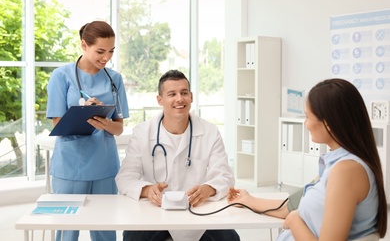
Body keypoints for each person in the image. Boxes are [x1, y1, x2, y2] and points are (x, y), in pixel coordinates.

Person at [228, 78, 387, 240]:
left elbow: (293, 216)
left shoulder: (346, 171)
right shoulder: (335, 165)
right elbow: (288, 208)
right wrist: (248, 200)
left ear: (328, 123)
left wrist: (295, 222)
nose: (305, 124)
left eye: (307, 117)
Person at [116, 70, 240, 241]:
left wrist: (208, 189)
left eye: (184, 93)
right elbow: (125, 178)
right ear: (160, 100)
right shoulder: (142, 132)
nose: (179, 99)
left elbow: (225, 176)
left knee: (230, 239)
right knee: (132, 238)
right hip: (155, 212)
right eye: (171, 94)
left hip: (198, 211)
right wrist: (146, 190)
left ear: (191, 97)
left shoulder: (210, 132)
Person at [46, 20, 129, 241]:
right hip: (70, 166)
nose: (106, 57)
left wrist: (105, 124)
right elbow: (58, 125)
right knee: (66, 230)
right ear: (84, 45)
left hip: (105, 165)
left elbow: (119, 128)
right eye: (100, 51)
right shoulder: (61, 76)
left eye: (111, 51)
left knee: (105, 230)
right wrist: (82, 111)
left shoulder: (115, 79)